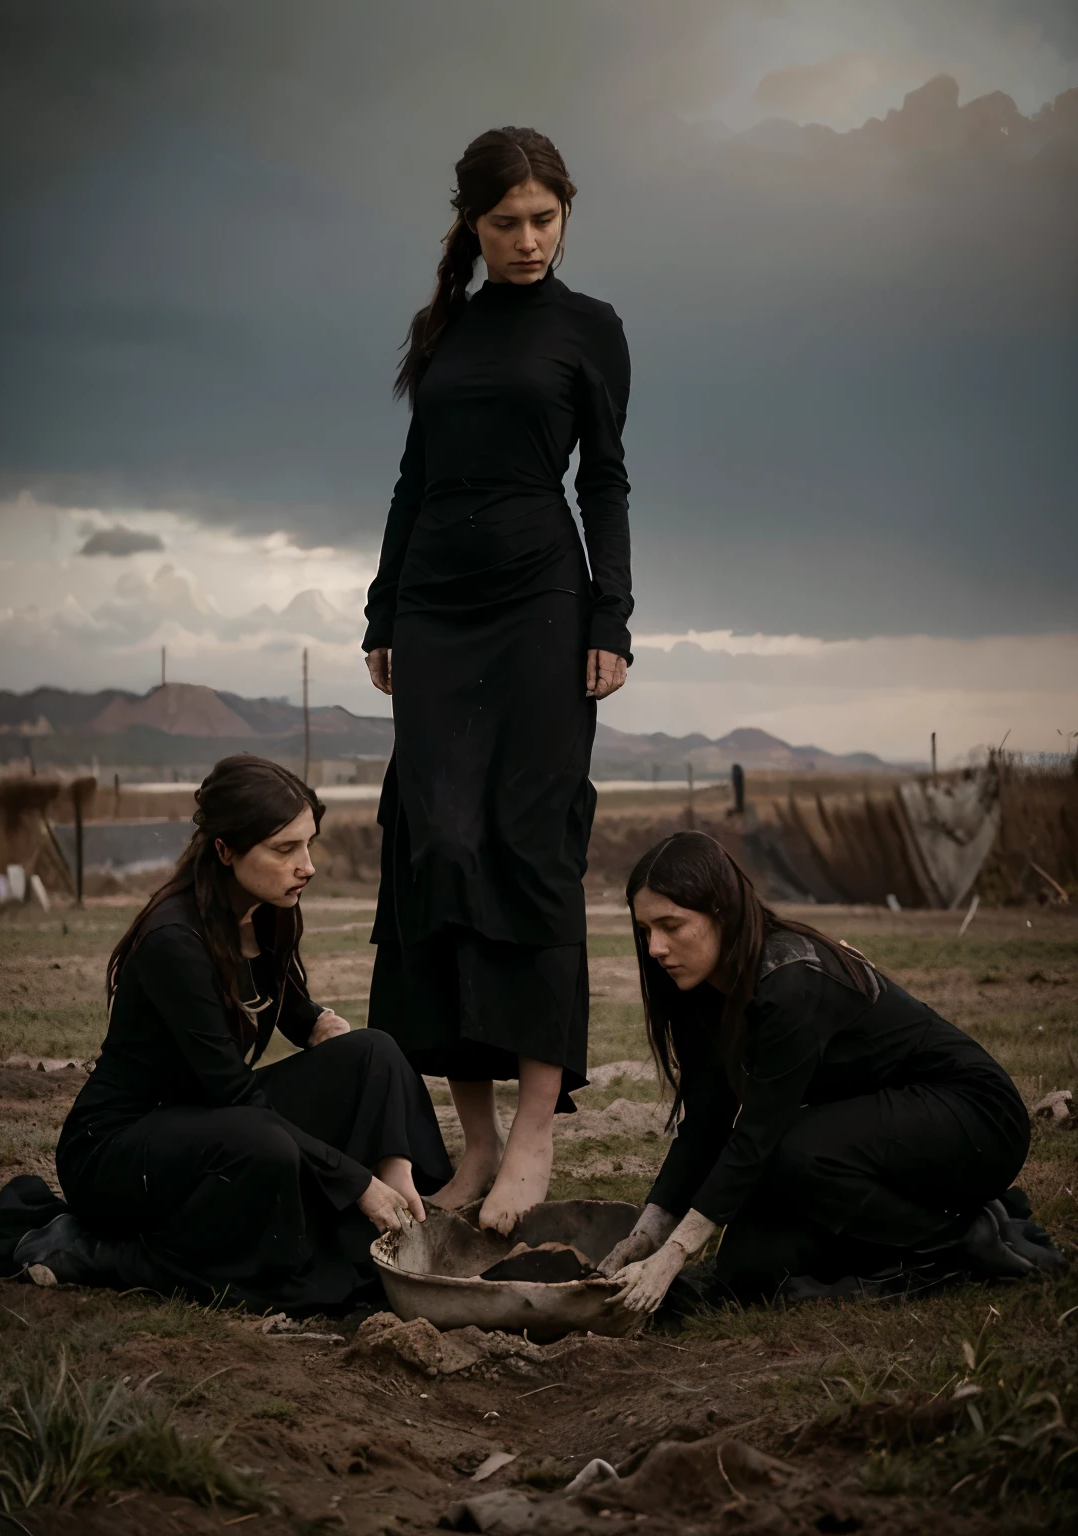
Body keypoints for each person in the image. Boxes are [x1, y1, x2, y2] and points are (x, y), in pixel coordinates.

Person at [362, 127, 633, 1236]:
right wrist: (382, 607)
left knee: (527, 848)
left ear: (565, 214)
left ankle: (534, 1136)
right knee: (441, 846)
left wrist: (609, 619)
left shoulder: (591, 330)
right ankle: (470, 1147)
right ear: (472, 225)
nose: (528, 241)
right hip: (434, 608)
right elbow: (411, 480)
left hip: (538, 605)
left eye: (546, 219)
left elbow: (606, 481)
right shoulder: (445, 331)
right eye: (507, 223)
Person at [0, 756, 451, 1314]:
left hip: (207, 1124)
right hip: (120, 1149)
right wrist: (357, 1182)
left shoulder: (265, 909)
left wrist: (389, 1157)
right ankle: (95, 1251)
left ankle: (397, 1210)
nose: (306, 866)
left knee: (374, 1050)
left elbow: (292, 1008)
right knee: (265, 1141)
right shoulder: (174, 942)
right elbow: (238, 1098)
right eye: (284, 850)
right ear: (225, 850)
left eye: (308, 845)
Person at [598, 832, 1057, 1313]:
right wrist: (643, 1238)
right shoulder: (701, 991)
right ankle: (920, 1237)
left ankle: (963, 1237)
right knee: (748, 1269)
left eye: (671, 925)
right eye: (646, 930)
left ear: (722, 911)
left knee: (793, 1150)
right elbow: (706, 1128)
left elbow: (756, 1137)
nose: (655, 948)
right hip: (871, 1136)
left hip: (974, 1118)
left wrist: (675, 1254)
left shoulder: (790, 980)